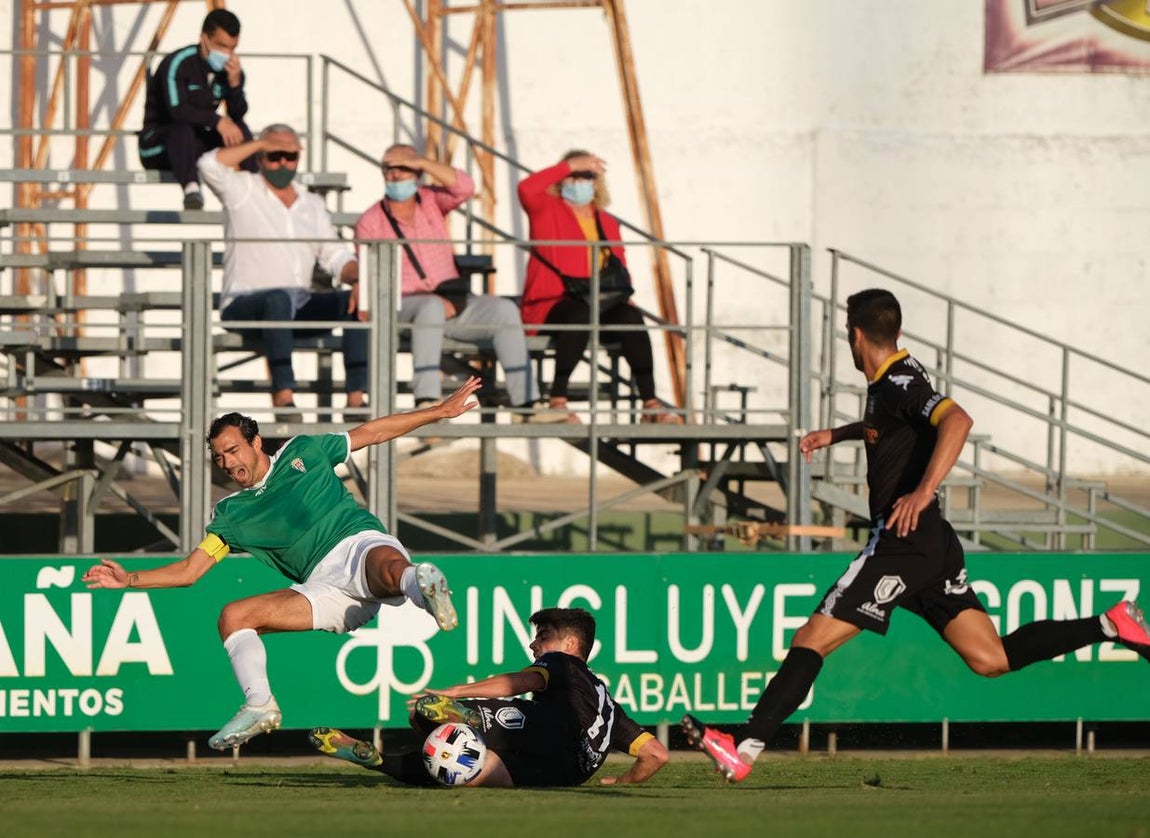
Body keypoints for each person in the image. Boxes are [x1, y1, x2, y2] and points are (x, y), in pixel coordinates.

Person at [681, 288, 1150, 783]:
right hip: (932, 545)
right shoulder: (896, 378)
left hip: (903, 539)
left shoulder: (900, 382)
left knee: (812, 638)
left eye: (846, 331)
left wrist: (924, 489)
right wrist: (835, 435)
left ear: (854, 335)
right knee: (991, 658)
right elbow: (890, 424)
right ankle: (1112, 624)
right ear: (896, 333)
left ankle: (743, 746)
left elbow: (958, 420)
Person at [82, 376, 483, 751]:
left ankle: (422, 587)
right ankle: (260, 706)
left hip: (356, 543)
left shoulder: (303, 451)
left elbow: (372, 432)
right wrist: (130, 578)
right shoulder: (229, 514)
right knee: (233, 617)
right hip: (322, 589)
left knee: (387, 566)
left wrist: (438, 411)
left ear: (256, 442)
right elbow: (190, 572)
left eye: (233, 450)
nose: (226, 462)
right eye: (219, 457)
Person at [310, 607, 669, 786]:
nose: (534, 643)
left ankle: (464, 717)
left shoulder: (561, 663)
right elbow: (657, 754)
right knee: (461, 769)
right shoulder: (608, 706)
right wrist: (620, 782)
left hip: (554, 730)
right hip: (570, 772)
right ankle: (376, 759)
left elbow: (518, 682)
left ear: (570, 644)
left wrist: (456, 693)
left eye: (543, 635)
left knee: (425, 716)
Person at [355, 144, 563, 422]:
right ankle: (426, 401)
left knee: (503, 310)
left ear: (417, 172)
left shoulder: (430, 200)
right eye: (390, 169)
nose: (396, 176)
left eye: (404, 168)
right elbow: (369, 272)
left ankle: (525, 405)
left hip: (451, 300)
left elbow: (465, 186)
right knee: (429, 307)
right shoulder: (370, 221)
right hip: (401, 306)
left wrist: (421, 160)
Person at [200, 123, 367, 419]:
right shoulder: (243, 188)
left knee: (356, 300)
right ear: (262, 156)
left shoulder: (311, 203)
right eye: (274, 155)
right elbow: (208, 164)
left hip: (296, 305)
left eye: (290, 156)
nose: (283, 163)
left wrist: (357, 280)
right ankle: (284, 396)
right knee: (277, 298)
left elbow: (336, 255)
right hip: (244, 303)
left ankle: (356, 399)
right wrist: (258, 143)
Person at [518, 150, 681, 424]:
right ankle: (558, 399)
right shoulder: (547, 210)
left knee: (631, 319)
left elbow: (619, 263)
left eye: (588, 176)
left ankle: (650, 404)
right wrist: (567, 165)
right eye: (575, 176)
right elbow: (526, 188)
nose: (581, 182)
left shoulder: (605, 221)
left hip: (600, 299)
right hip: (554, 302)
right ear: (563, 179)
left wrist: (625, 296)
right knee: (580, 313)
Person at [138, 9, 257, 210]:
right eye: (221, 46)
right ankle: (191, 189)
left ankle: (257, 188)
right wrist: (217, 121)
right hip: (158, 146)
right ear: (204, 39)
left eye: (232, 48)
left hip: (195, 145)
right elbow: (177, 110)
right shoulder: (177, 63)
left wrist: (235, 84)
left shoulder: (230, 70)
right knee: (181, 129)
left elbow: (238, 114)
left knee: (240, 130)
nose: (226, 54)